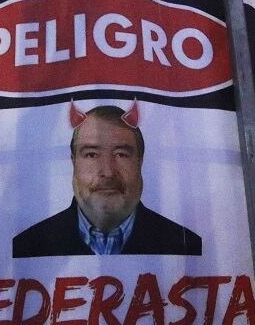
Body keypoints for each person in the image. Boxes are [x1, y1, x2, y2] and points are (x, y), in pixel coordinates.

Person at [13, 104, 201, 257]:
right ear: (73, 162)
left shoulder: (187, 245)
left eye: (121, 154)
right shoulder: (26, 246)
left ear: (140, 161)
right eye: (92, 154)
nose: (108, 172)